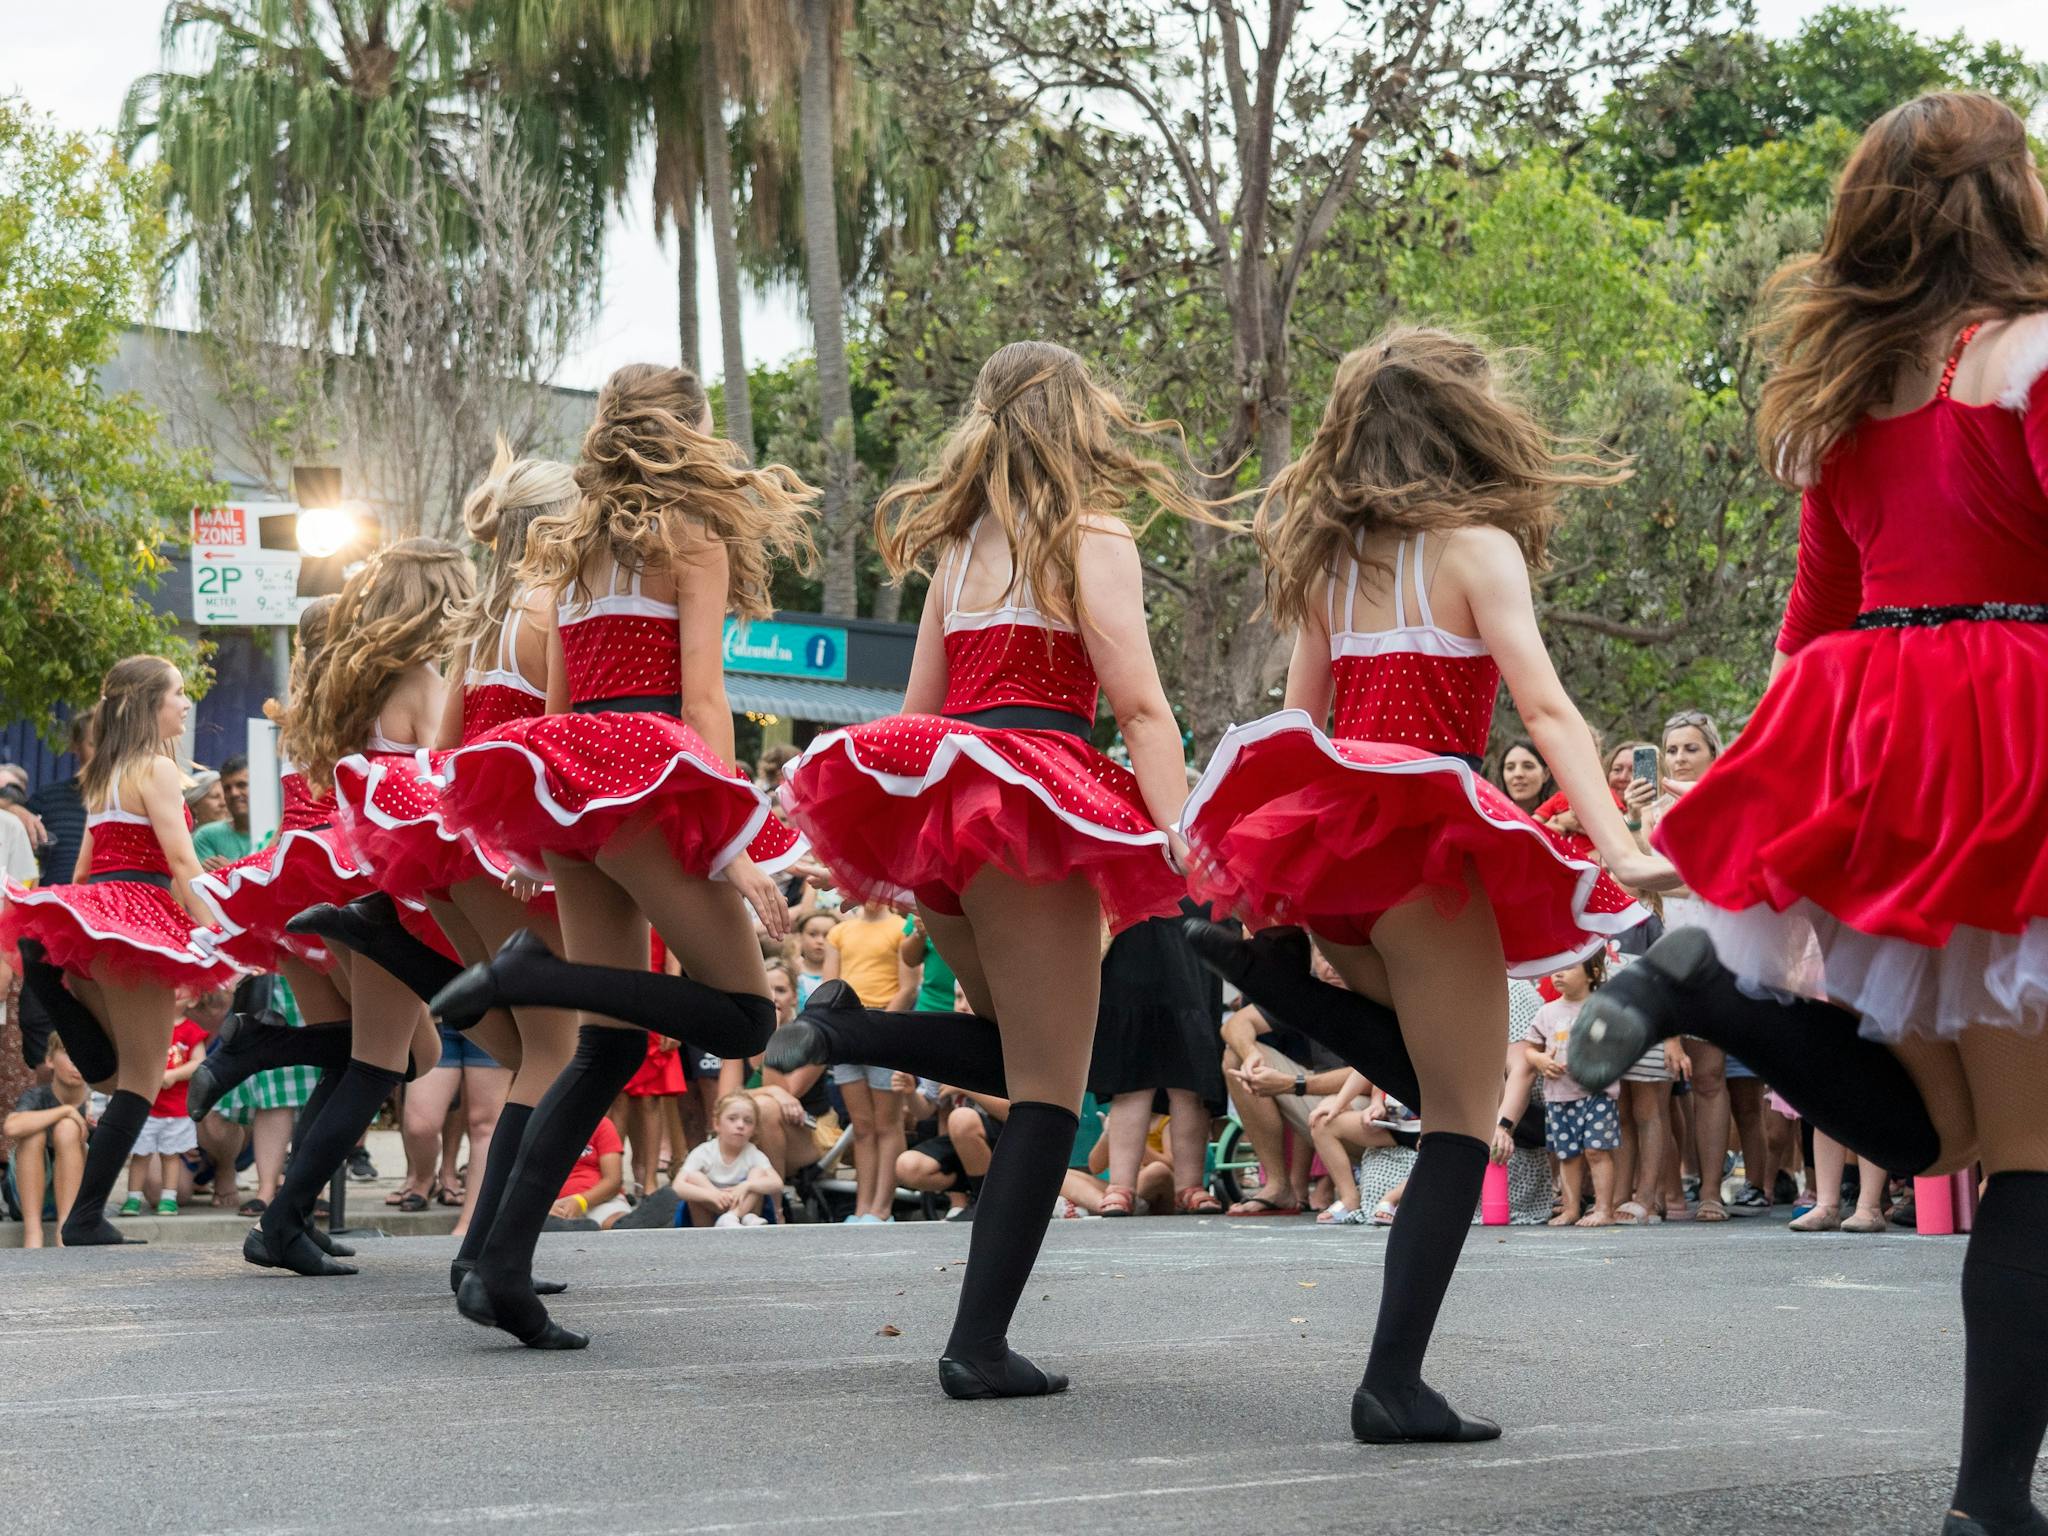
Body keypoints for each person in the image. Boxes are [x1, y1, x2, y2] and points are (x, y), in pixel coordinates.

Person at [1565, 91, 2048, 1536]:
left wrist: (1772, 812)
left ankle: (1720, 990)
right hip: (2019, 728)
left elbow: (1812, 626)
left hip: (1886, 736)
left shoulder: (1853, 398)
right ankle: (1987, 1503)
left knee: (1946, 1142)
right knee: (2027, 1162)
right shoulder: (2032, 355)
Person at [1178, 327, 1671, 1445]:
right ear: (1461, 423)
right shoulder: (1476, 546)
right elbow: (1546, 713)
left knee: (1426, 1068)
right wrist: (1617, 847)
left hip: (1336, 853)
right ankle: (1390, 1383)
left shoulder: (1326, 561)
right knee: (1458, 1121)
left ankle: (1289, 987)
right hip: (1427, 844)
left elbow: (1296, 731)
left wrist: (1269, 887)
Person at [773, 341, 1210, 1399]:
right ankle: (974, 1347)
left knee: (1025, 1057)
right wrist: (1188, 841)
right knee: (1052, 1094)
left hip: (944, 801)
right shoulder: (1092, 535)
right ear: (1077, 422)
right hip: (1034, 803)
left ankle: (845, 1024)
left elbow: (919, 712)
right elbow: (1141, 707)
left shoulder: (956, 552)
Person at [428, 363, 811, 1348]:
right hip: (648, 768)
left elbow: (554, 711)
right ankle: (528, 970)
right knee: (742, 1017)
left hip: (570, 779)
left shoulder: (572, 544)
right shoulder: (693, 534)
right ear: (686, 432)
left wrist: (544, 828)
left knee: (607, 1042)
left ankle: (498, 1267)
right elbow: (699, 701)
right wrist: (729, 838)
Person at [233, 541, 478, 1278]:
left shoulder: (352, 682)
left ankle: (287, 1211)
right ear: (438, 598)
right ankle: (280, 1224)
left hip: (359, 881)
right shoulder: (419, 679)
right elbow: (452, 786)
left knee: (406, 1055)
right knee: (376, 1062)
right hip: (389, 888)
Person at [0, 657, 245, 1245]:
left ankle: (47, 974)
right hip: (139, 917)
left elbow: (84, 869)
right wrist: (219, 936)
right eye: (179, 694)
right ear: (148, 704)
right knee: (140, 1080)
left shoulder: (105, 773)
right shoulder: (157, 769)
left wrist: (70, 936)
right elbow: (182, 863)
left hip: (98, 917)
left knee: (116, 1077)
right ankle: (83, 1219)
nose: (186, 705)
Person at [1638, 708, 1743, 1221]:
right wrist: (1640, 825)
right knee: (1658, 1076)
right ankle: (1658, 1193)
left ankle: (1709, 1192)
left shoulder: (1728, 802)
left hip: (1720, 944)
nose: (1679, 758)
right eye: (1672, 749)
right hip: (1664, 945)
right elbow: (1642, 880)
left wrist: (1670, 877)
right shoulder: (1653, 810)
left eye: (1690, 748)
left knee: (1709, 1075)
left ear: (1713, 752)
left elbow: (1718, 878)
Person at [1091, 902, 1227, 1216]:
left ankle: (1190, 1186)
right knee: (1131, 1063)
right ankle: (1121, 1185)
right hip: (1131, 906)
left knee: (1191, 1060)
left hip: (1192, 904)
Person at [1521, 957, 1619, 1227]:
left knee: (1597, 1151)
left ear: (1593, 974)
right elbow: (1530, 1048)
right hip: (1559, 1095)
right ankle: (1571, 1208)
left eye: (1568, 968)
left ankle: (1604, 1209)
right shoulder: (1547, 1012)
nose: (1558, 974)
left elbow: (1615, 1044)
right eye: (1554, 969)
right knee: (1567, 1154)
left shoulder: (1601, 1009)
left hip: (1597, 1093)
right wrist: (1540, 1061)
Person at [120, 989, 220, 1217]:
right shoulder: (148, 1025)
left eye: (181, 988)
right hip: (147, 1105)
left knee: (171, 1154)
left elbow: (199, 1063)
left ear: (193, 999)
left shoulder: (191, 1030)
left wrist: (174, 1075)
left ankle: (169, 1197)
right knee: (140, 1154)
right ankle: (133, 1197)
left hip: (176, 1108)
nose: (174, 991)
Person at [3, 1035, 89, 1247]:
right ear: (50, 1060)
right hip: (25, 1199)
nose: (76, 1063)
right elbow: (11, 1127)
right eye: (69, 1054)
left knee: (68, 1129)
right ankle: (33, 1235)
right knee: (33, 1133)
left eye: (83, 1054)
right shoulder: (37, 1096)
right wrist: (66, 1110)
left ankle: (64, 1231)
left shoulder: (96, 1101)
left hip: (79, 1199)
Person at [672, 1090, 782, 1227]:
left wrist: (746, 1185)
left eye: (748, 1121)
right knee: (694, 1177)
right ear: (717, 1124)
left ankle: (736, 1217)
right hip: (712, 1204)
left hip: (742, 1206)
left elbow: (777, 1182)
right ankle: (703, 1234)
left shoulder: (752, 1153)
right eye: (732, 1119)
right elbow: (678, 1186)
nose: (740, 1125)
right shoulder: (704, 1152)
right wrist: (712, 1194)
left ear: (754, 1129)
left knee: (758, 1174)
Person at [551, 1112, 630, 1230]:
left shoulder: (602, 1124)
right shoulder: (538, 1127)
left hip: (599, 1199)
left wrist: (581, 1201)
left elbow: (613, 1181)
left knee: (615, 1222)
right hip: (554, 1207)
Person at [192, 757, 252, 869]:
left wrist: (230, 870)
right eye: (227, 788)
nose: (234, 793)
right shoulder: (207, 836)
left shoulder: (278, 832)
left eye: (241, 785)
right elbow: (212, 884)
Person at [1495, 739, 1553, 819]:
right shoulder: (1490, 818)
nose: (1518, 774)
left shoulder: (1567, 819)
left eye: (1528, 766)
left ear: (1546, 774)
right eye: (1510, 768)